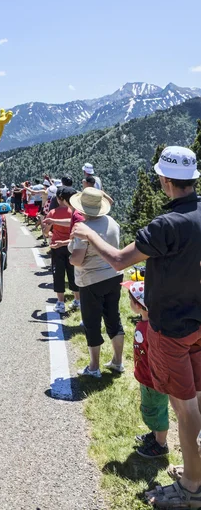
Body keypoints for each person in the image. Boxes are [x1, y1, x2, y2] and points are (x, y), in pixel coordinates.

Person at [72, 146, 201, 507]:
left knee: (184, 406)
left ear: (164, 180)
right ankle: (195, 468)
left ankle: (192, 486)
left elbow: (118, 261)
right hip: (198, 321)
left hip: (171, 327)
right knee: (197, 401)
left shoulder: (166, 225)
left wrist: (87, 234)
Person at [68, 187, 124, 378]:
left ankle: (94, 367)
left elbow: (77, 260)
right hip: (114, 275)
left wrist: (69, 257)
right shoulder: (112, 222)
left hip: (91, 280)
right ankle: (118, 361)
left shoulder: (84, 229)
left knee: (92, 323)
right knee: (113, 318)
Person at [122, 280, 169, 458]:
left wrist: (156, 378)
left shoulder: (151, 329)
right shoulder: (144, 323)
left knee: (157, 410)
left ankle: (161, 444)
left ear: (138, 304)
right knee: (150, 409)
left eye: (130, 299)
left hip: (154, 380)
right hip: (146, 377)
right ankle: (155, 434)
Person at [43, 187, 80, 314]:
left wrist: (49, 232)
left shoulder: (52, 213)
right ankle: (77, 300)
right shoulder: (75, 212)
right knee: (73, 273)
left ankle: (60, 302)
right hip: (72, 246)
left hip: (57, 247)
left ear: (60, 199)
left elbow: (46, 231)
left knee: (58, 274)